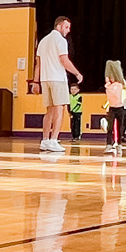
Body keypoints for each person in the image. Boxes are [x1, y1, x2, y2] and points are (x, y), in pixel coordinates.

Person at [35, 15, 81, 154]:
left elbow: (38, 64)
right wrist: (77, 73)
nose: (68, 30)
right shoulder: (60, 40)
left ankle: (45, 140)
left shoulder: (43, 41)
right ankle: (54, 140)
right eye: (66, 27)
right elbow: (64, 60)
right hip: (58, 79)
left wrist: (35, 81)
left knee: (49, 110)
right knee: (59, 109)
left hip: (45, 79)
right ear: (59, 26)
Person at [102, 60, 126, 155]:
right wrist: (109, 66)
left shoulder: (121, 84)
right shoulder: (108, 84)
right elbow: (107, 75)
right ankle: (109, 144)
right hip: (112, 108)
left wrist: (117, 67)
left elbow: (123, 84)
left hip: (120, 108)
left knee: (120, 127)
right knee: (110, 128)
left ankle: (119, 144)